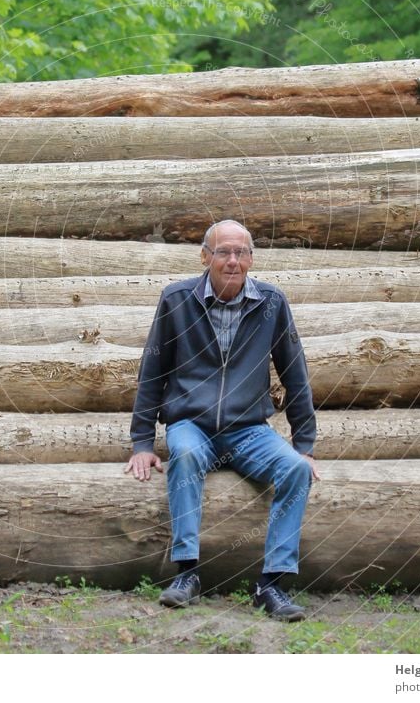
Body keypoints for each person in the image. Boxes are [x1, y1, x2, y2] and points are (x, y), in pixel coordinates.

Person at [124, 219, 318, 621]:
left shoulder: (271, 303)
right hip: (190, 424)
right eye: (223, 252)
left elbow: (294, 372)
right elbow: (153, 371)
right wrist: (142, 443)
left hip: (248, 430)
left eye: (241, 252)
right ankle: (187, 574)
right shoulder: (177, 300)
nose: (233, 261)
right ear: (205, 256)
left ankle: (272, 584)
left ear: (251, 258)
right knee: (185, 453)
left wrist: (305, 445)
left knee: (296, 471)